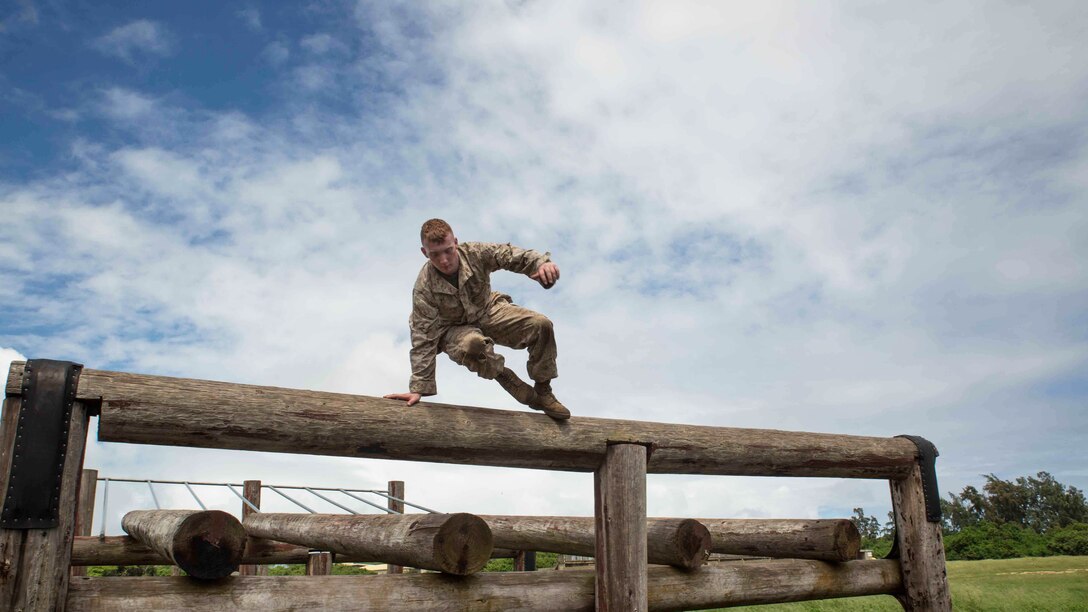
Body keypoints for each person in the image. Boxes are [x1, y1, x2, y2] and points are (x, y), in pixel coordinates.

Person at [384, 219, 570, 419]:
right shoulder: (424, 287)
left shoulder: (475, 253)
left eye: (448, 251)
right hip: (454, 328)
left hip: (487, 310)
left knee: (540, 325)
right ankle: (502, 374)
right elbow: (422, 334)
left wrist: (540, 263)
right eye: (435, 255)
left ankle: (543, 391)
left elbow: (507, 255)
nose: (444, 260)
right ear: (424, 253)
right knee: (473, 344)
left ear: (455, 242)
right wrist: (419, 386)